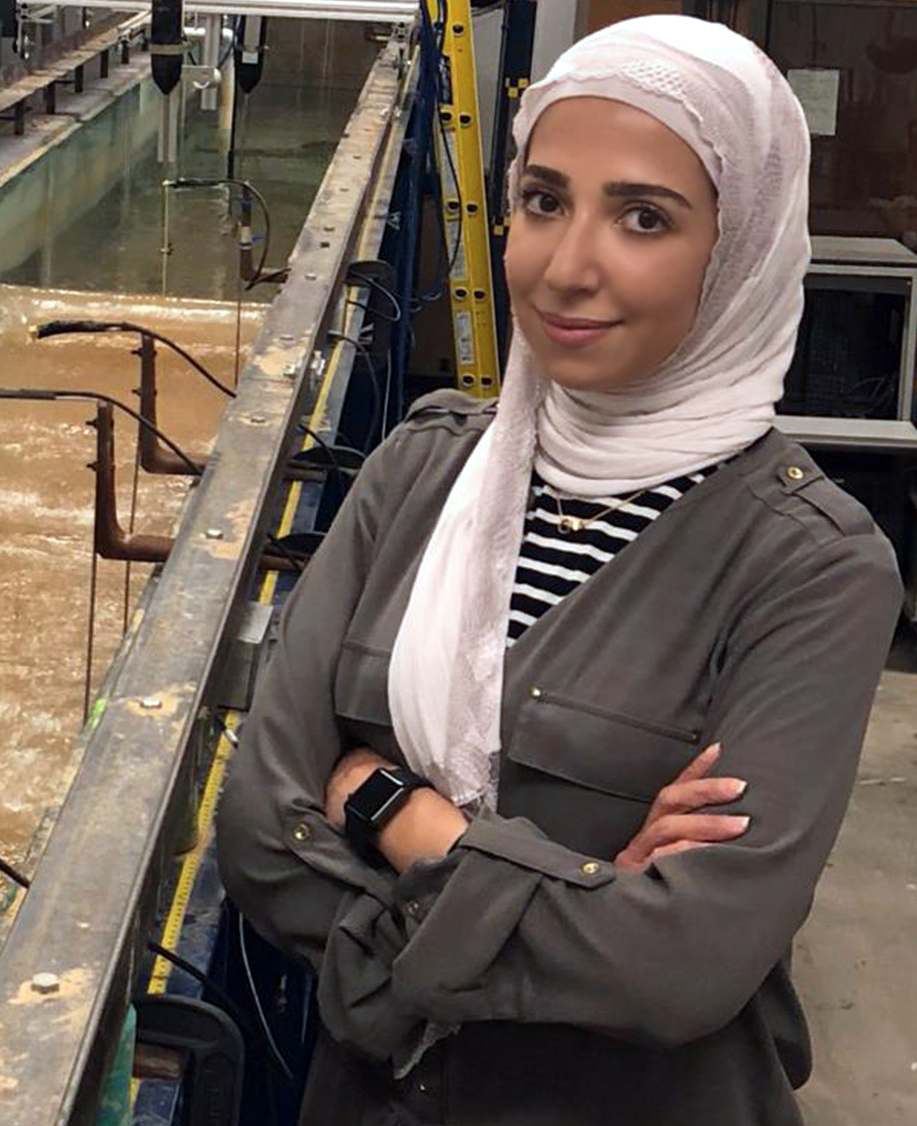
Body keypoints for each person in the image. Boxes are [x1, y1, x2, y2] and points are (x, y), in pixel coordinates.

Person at [215, 16, 904, 1125]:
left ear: (739, 249)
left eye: (641, 217)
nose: (566, 268)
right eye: (541, 200)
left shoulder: (809, 571)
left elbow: (676, 966)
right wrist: (574, 888)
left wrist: (392, 810)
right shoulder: (421, 469)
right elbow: (258, 831)